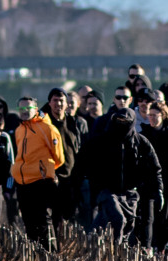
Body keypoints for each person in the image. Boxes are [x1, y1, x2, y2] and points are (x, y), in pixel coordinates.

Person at [80, 107, 163, 248]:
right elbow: (83, 162)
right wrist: (89, 182)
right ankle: (114, 250)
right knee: (118, 219)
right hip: (106, 191)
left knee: (128, 223)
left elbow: (155, 168)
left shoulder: (141, 142)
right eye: (119, 120)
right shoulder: (100, 141)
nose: (121, 124)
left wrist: (158, 189)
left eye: (125, 121)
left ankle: (97, 245)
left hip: (130, 192)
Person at [10, 96, 64, 251]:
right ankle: (36, 256)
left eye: (28, 108)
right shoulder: (19, 130)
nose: (24, 112)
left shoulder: (47, 128)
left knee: (43, 222)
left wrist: (44, 170)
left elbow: (59, 157)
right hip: (22, 183)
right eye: (21, 109)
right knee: (29, 222)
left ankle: (51, 255)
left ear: (36, 109)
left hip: (41, 182)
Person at [42, 88, 81, 237]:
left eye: (61, 101)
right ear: (50, 103)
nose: (58, 103)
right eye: (55, 100)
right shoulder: (45, 123)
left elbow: (76, 147)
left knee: (69, 214)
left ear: (67, 104)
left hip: (70, 177)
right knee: (53, 216)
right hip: (52, 178)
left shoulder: (72, 121)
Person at [140, 101, 168, 249]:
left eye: (154, 115)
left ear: (162, 116)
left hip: (165, 180)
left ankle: (161, 248)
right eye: (149, 115)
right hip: (148, 181)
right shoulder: (144, 135)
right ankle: (147, 247)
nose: (151, 118)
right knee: (148, 217)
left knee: (164, 217)